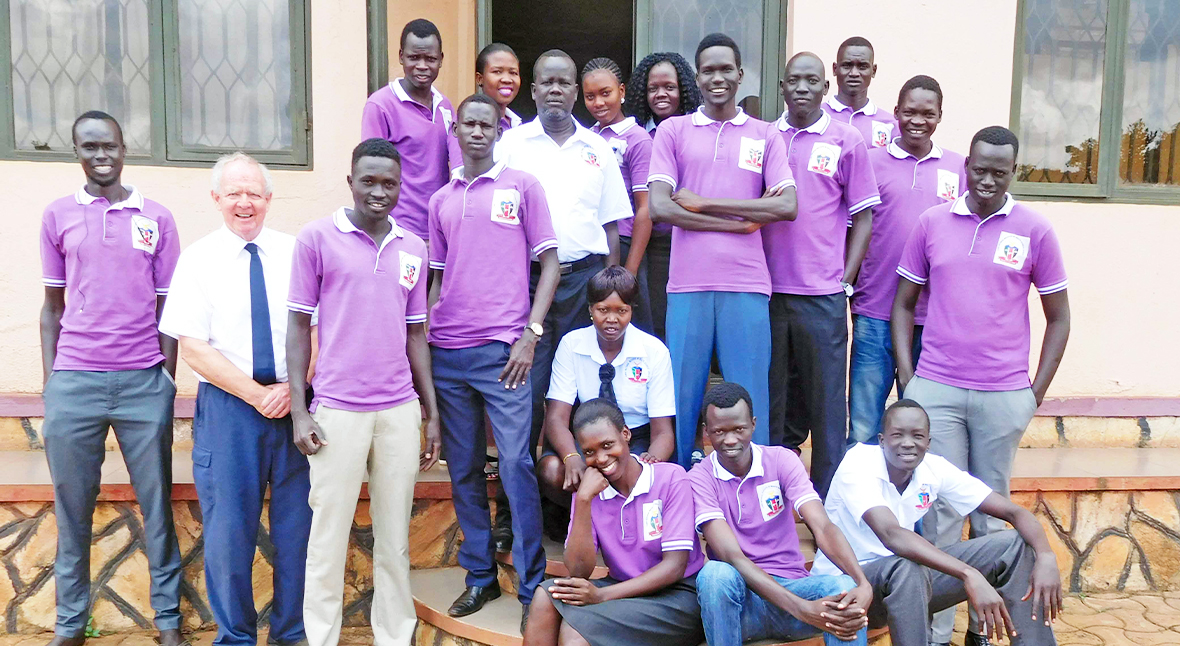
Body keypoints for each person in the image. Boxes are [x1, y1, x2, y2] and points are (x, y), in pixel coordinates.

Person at [892, 125, 1070, 645]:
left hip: (1002, 396)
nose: (987, 179)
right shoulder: (932, 222)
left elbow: (1058, 317)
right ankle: (938, 632)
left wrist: (1032, 393)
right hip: (937, 390)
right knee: (943, 510)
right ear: (965, 165)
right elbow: (903, 304)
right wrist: (911, 381)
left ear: (1013, 172)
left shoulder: (1035, 230)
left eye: (1000, 171)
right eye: (979, 168)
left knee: (993, 515)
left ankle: (988, 633)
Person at [286, 138, 442, 646]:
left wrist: (430, 412)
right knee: (327, 540)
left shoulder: (413, 249)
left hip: (398, 411)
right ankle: (322, 638)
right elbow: (296, 326)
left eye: (389, 183)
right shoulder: (316, 239)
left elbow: (416, 334)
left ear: (401, 187)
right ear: (350, 182)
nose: (379, 192)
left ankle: (395, 637)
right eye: (368, 181)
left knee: (394, 539)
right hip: (337, 411)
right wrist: (299, 410)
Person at [39, 111, 184, 646]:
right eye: (89, 146)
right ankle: (70, 625)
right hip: (75, 383)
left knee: (157, 507)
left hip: (143, 382)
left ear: (126, 149)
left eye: (110, 146)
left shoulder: (157, 218)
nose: (101, 155)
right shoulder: (58, 216)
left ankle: (167, 621)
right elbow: (51, 307)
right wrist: (54, 381)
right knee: (72, 511)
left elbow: (171, 305)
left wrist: (166, 378)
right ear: (76, 151)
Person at [159, 153, 312, 646]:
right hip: (229, 409)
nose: (244, 202)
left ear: (269, 199)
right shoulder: (198, 259)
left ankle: (291, 634)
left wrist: (293, 388)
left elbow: (320, 327)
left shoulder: (297, 252)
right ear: (217, 199)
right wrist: (256, 395)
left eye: (254, 193)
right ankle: (236, 638)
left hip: (297, 408)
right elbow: (194, 348)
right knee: (228, 535)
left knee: (297, 532)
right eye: (233, 193)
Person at [426, 93, 561, 634]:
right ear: (455, 131)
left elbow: (550, 262)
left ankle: (532, 588)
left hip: (505, 353)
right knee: (461, 469)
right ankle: (480, 575)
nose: (477, 132)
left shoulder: (523, 186)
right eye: (468, 124)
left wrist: (530, 332)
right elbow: (436, 277)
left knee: (515, 465)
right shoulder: (440, 200)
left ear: (499, 129)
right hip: (447, 353)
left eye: (487, 123)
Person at [493, 49, 633, 550]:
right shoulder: (510, 145)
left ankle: (575, 512)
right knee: (521, 402)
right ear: (533, 90)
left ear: (576, 91)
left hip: (582, 284)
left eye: (564, 82)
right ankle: (511, 516)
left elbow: (614, 227)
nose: (555, 89)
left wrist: (611, 290)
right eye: (546, 81)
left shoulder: (599, 150)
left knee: (578, 398)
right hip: (525, 286)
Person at [647, 33, 797, 468]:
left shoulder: (766, 135)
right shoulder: (674, 131)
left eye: (725, 69)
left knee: (750, 399)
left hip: (747, 284)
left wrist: (706, 203)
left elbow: (786, 205)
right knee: (681, 396)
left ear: (739, 74)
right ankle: (676, 491)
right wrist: (743, 224)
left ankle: (757, 495)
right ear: (698, 78)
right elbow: (659, 205)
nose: (718, 78)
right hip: (688, 285)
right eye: (708, 70)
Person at [812, 400, 1062, 646]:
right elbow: (892, 535)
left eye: (917, 436)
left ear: (928, 443)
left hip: (907, 585)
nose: (908, 443)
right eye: (897, 435)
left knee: (1014, 545)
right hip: (849, 587)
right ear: (881, 441)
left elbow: (1014, 513)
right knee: (907, 568)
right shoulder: (857, 464)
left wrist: (1046, 555)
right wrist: (968, 573)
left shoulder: (934, 469)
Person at [764, 52, 879, 497]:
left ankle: (828, 503)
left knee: (827, 406)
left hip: (822, 295)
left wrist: (845, 280)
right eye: (794, 80)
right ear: (783, 86)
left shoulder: (846, 139)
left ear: (825, 88)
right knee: (773, 402)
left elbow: (864, 217)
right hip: (768, 293)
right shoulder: (766, 136)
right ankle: (774, 496)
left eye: (812, 80)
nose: (803, 88)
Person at [691, 382, 872, 646]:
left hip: (793, 588)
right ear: (706, 432)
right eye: (719, 431)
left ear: (753, 424)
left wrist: (862, 582)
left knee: (841, 588)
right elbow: (733, 557)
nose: (730, 440)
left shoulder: (781, 460)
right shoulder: (699, 477)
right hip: (743, 608)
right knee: (715, 575)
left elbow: (822, 526)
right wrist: (801, 609)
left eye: (739, 429)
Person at [523, 399, 706, 646]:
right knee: (546, 596)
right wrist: (585, 500)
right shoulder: (589, 490)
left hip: (677, 596)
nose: (601, 458)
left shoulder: (670, 478)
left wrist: (602, 595)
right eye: (589, 452)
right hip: (622, 589)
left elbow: (674, 567)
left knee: (576, 631)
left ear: (626, 434)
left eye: (608, 445)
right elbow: (578, 571)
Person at [849, 75, 965, 444]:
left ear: (940, 116)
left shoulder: (958, 169)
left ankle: (914, 501)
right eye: (909, 111)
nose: (918, 120)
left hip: (932, 317)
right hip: (874, 310)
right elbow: (850, 228)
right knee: (865, 424)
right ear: (895, 112)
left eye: (927, 113)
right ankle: (858, 500)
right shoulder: (868, 162)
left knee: (919, 426)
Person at [538, 266, 676, 537]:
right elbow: (555, 418)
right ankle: (587, 523)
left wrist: (647, 461)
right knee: (551, 469)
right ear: (590, 309)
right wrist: (572, 456)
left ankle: (620, 527)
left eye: (621, 311)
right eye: (603, 310)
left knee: (642, 476)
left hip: (636, 438)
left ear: (631, 310)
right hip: (587, 440)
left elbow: (663, 432)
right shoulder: (571, 345)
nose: (612, 319)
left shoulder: (653, 351)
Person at [624, 52, 702, 341]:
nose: (661, 94)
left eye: (669, 87)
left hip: (693, 241)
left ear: (683, 89)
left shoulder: (698, 132)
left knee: (691, 332)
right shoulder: (636, 136)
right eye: (652, 88)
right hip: (652, 247)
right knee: (654, 326)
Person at [360, 18, 460, 240]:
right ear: (401, 57)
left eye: (430, 59)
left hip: (440, 230)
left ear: (441, 60)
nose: (422, 66)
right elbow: (370, 173)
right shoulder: (381, 105)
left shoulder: (445, 106)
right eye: (414, 58)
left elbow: (458, 165)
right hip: (398, 232)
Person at [583, 57, 656, 333]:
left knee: (629, 328)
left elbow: (645, 209)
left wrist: (630, 272)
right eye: (590, 96)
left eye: (606, 93)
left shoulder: (637, 140)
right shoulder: (585, 138)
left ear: (622, 92)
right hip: (593, 244)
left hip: (626, 244)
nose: (599, 103)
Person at [822, 37, 897, 149]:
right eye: (847, 65)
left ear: (874, 70)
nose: (854, 73)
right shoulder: (818, 116)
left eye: (862, 67)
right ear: (835, 69)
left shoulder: (890, 124)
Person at [475, 42, 523, 132]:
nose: (507, 79)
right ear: (479, 78)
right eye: (497, 72)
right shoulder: (468, 123)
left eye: (513, 73)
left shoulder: (517, 125)